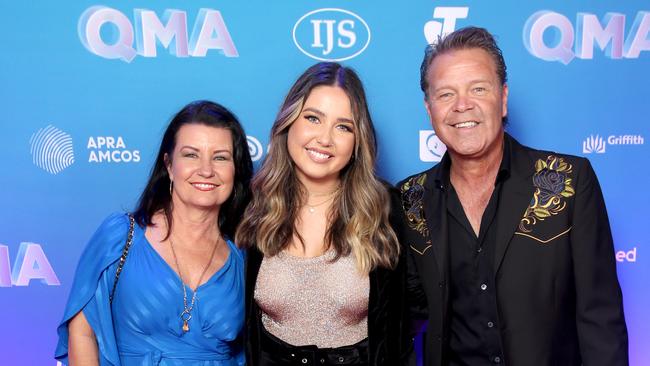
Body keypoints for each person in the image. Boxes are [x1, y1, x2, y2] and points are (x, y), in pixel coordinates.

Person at [396, 27, 628, 366]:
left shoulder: (567, 181)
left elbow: (601, 318)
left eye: (478, 88)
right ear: (429, 109)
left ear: (502, 98)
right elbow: (402, 314)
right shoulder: (409, 198)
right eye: (446, 94)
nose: (462, 105)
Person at [55, 100, 253, 365]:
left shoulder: (244, 256)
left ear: (235, 169)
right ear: (169, 165)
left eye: (220, 157)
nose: (206, 170)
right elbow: (82, 332)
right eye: (191, 155)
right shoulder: (120, 237)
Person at [236, 62, 406, 365]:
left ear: (357, 142)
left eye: (343, 126)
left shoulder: (385, 210)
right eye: (313, 118)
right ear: (289, 122)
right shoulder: (253, 204)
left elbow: (403, 326)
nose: (325, 139)